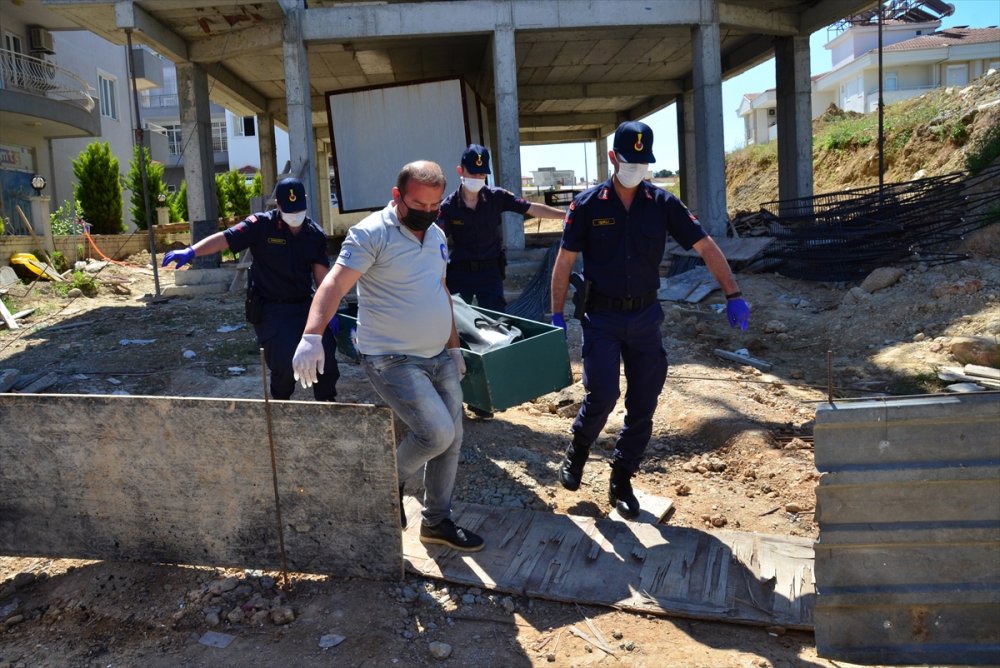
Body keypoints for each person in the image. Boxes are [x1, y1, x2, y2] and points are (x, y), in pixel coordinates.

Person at [549, 121, 751, 519]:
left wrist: (733, 293)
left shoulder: (662, 204)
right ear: (613, 158)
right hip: (602, 317)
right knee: (602, 395)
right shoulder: (587, 205)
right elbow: (564, 261)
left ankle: (621, 478)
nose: (637, 169)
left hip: (644, 317)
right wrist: (556, 315)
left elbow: (705, 245)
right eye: (630, 161)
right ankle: (578, 450)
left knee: (644, 402)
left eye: (644, 162)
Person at [291, 160, 484, 553]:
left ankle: (436, 522)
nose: (427, 214)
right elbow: (333, 283)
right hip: (391, 358)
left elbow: (441, 291)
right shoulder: (370, 234)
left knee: (454, 438)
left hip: (438, 356)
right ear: (397, 196)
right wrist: (312, 334)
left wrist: (452, 347)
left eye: (434, 208)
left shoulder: (436, 235)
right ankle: (385, 484)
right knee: (437, 433)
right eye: (418, 204)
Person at [162, 177, 340, 402]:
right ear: (278, 205)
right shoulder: (261, 225)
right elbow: (224, 239)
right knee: (284, 362)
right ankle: (279, 405)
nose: (295, 216)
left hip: (305, 305)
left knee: (325, 356)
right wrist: (192, 251)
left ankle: (328, 406)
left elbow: (322, 278)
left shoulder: (314, 234)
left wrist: (327, 312)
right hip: (271, 308)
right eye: (289, 211)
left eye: (299, 210)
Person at [438, 144, 566, 313]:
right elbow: (436, 239)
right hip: (461, 272)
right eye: (472, 173)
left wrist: (566, 215)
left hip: (490, 271)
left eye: (482, 174)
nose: (477, 178)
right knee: (456, 318)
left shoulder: (497, 197)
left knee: (496, 321)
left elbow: (532, 208)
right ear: (460, 171)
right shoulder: (448, 206)